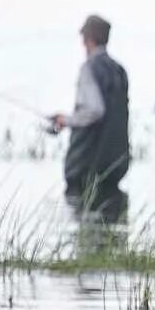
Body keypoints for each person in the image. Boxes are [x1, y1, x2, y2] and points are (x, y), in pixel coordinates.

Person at [49, 14, 131, 215]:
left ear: (88, 39)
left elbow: (95, 110)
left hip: (88, 163)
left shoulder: (89, 69)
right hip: (117, 161)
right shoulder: (119, 70)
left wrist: (65, 120)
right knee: (112, 220)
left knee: (83, 217)